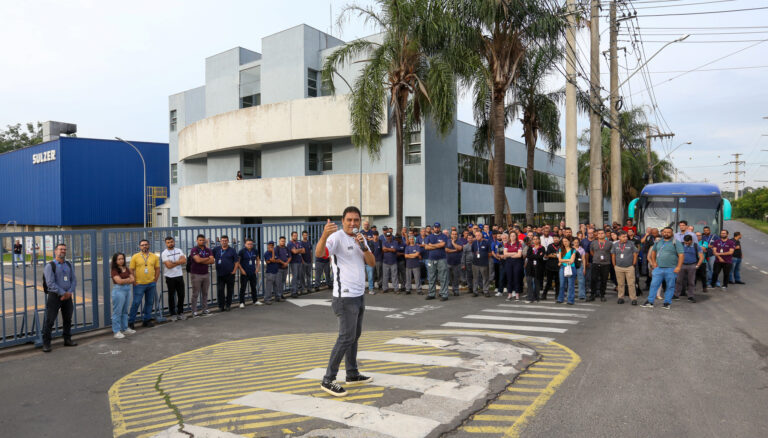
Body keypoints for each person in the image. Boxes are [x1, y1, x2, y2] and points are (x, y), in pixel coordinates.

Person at [315, 208, 375, 397]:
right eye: (349, 220)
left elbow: (372, 263)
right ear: (342, 221)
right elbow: (320, 254)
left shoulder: (361, 239)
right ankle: (328, 379)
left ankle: (352, 373)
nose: (353, 223)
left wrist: (363, 247)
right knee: (345, 337)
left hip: (359, 295)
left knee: (354, 336)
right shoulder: (336, 237)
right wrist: (324, 236)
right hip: (345, 297)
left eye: (356, 220)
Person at [41, 243, 77, 352]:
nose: (63, 251)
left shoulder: (68, 264)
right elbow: (50, 283)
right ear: (55, 251)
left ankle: (67, 339)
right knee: (50, 320)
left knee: (67, 319)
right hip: (55, 297)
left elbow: (74, 280)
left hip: (67, 296)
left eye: (64, 249)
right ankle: (46, 343)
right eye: (61, 249)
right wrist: (63, 293)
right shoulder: (50, 266)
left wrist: (69, 292)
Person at [642, 227, 684, 309]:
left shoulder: (676, 242)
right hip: (658, 268)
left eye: (668, 232)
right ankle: (650, 302)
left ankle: (667, 303)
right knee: (653, 285)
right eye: (665, 232)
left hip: (671, 268)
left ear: (672, 233)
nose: (666, 233)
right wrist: (654, 262)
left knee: (670, 286)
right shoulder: (658, 242)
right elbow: (653, 252)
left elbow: (681, 255)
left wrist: (678, 267)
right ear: (662, 233)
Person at [128, 240, 160, 329]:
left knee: (149, 302)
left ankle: (146, 320)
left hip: (151, 284)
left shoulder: (154, 256)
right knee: (136, 303)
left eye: (146, 244)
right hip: (139, 284)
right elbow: (131, 270)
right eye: (142, 245)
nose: (144, 246)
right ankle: (131, 322)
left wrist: (155, 280)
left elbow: (157, 269)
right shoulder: (135, 257)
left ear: (149, 245)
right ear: (139, 246)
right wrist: (134, 281)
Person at [110, 253, 136, 338]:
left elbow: (133, 279)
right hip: (119, 291)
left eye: (122, 258)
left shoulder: (126, 268)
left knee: (125, 311)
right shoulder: (114, 270)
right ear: (115, 261)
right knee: (117, 311)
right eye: (119, 259)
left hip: (127, 290)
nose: (121, 260)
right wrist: (128, 279)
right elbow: (119, 281)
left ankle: (125, 328)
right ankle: (116, 331)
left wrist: (124, 280)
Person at [161, 237, 186, 320]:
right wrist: (179, 262)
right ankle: (173, 313)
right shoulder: (164, 253)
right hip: (170, 277)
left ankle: (180, 312)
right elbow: (168, 266)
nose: (170, 243)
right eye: (168, 242)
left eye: (171, 242)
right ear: (166, 243)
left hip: (179, 275)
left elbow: (184, 260)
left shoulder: (179, 250)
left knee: (181, 295)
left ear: (174, 242)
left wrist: (174, 262)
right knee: (171, 296)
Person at [189, 234, 214, 316]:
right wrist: (207, 258)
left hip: (205, 274)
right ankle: (194, 311)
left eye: (203, 240)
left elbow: (212, 261)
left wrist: (203, 259)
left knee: (205, 293)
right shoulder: (194, 249)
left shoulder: (208, 250)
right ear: (197, 241)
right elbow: (198, 260)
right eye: (200, 240)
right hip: (196, 274)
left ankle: (205, 309)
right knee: (195, 293)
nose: (202, 241)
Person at [674, 235, 704, 303]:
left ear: (691, 240)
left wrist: (697, 265)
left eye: (688, 243)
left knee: (691, 281)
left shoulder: (696, 246)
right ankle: (676, 295)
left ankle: (691, 296)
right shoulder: (681, 245)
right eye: (685, 242)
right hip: (681, 265)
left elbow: (701, 257)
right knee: (678, 280)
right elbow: (676, 254)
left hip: (692, 265)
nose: (687, 244)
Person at [425, 223, 450, 301]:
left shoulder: (444, 236)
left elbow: (442, 245)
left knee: (443, 277)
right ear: (433, 228)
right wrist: (437, 245)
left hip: (441, 259)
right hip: (431, 259)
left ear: (440, 228)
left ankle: (444, 294)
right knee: (431, 277)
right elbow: (426, 247)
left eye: (438, 227)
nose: (436, 229)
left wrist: (432, 245)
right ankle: (431, 294)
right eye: (435, 227)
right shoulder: (429, 236)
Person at [611, 231, 638, 305]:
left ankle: (633, 298)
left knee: (631, 283)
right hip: (618, 267)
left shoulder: (631, 243)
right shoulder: (615, 244)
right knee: (620, 283)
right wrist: (614, 265)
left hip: (629, 267)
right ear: (619, 237)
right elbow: (613, 255)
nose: (626, 238)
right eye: (624, 237)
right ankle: (621, 297)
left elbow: (635, 254)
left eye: (626, 236)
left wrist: (633, 264)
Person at [213, 236, 238, 311]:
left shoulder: (232, 250)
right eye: (222, 240)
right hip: (220, 274)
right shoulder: (216, 249)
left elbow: (236, 262)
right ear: (220, 241)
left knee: (230, 290)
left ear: (228, 241)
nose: (224, 242)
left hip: (230, 274)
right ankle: (221, 306)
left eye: (225, 240)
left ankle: (228, 305)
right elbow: (210, 256)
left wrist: (234, 271)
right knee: (220, 290)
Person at [590, 230, 613, 302]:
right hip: (596, 263)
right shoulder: (593, 243)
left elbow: (612, 253)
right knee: (593, 279)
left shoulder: (609, 243)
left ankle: (602, 295)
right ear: (597, 235)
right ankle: (592, 294)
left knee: (604, 280)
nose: (600, 235)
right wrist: (596, 257)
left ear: (605, 234)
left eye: (602, 233)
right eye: (599, 233)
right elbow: (591, 251)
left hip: (606, 264)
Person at [238, 238, 261, 307]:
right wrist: (241, 270)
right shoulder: (241, 251)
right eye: (248, 244)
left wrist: (257, 268)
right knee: (243, 288)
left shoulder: (255, 251)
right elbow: (238, 262)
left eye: (251, 244)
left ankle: (255, 300)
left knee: (253, 287)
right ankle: (242, 302)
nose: (250, 245)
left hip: (252, 272)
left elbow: (258, 259)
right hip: (244, 273)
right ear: (245, 244)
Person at [503, 232, 524, 301]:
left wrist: (509, 255)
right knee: (509, 278)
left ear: (516, 237)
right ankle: (509, 294)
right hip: (508, 263)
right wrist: (514, 253)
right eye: (511, 236)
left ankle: (517, 294)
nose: (512, 237)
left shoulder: (519, 244)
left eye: (514, 236)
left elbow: (519, 255)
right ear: (509, 237)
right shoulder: (507, 244)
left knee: (516, 278)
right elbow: (505, 254)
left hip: (517, 263)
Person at [525, 236, 545, 303]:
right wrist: (536, 256)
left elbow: (541, 256)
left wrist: (534, 256)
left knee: (537, 282)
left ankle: (537, 297)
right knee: (529, 282)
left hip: (538, 267)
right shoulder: (530, 247)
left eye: (537, 239)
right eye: (534, 239)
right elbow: (528, 256)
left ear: (539, 240)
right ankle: (530, 298)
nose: (535, 240)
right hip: (530, 266)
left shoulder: (542, 248)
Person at [556, 237, 577, 305]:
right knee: (562, 284)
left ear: (569, 241)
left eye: (566, 241)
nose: (565, 243)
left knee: (571, 285)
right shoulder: (561, 249)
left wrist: (563, 260)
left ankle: (570, 300)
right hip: (563, 267)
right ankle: (560, 298)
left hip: (571, 267)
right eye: (563, 241)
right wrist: (568, 259)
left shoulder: (573, 250)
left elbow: (572, 261)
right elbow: (559, 260)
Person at [471, 230, 492, 297]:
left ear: (482, 235)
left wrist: (484, 257)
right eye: (476, 235)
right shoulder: (474, 243)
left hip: (484, 263)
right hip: (475, 263)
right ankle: (475, 291)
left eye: (479, 235)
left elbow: (490, 253)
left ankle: (486, 291)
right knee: (475, 278)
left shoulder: (486, 242)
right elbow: (472, 251)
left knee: (485, 278)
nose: (477, 236)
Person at [445, 230, 464, 297]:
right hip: (448, 262)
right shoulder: (447, 241)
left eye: (455, 234)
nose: (454, 235)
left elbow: (459, 248)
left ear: (457, 235)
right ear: (451, 235)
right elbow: (446, 250)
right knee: (447, 278)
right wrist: (455, 250)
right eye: (453, 234)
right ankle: (445, 291)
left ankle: (455, 290)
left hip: (457, 263)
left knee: (456, 278)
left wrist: (453, 242)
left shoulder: (460, 242)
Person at [542, 235, 561, 300]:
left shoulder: (561, 246)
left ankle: (557, 295)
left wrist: (554, 255)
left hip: (558, 266)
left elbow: (562, 255)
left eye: (557, 238)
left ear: (559, 239)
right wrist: (557, 255)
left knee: (557, 282)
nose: (556, 239)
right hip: (550, 266)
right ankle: (544, 295)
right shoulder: (550, 246)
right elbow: (548, 255)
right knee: (549, 282)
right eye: (554, 238)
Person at [288, 232, 306, 298]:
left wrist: (297, 250)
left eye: (296, 236)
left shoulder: (299, 243)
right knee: (295, 277)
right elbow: (294, 252)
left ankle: (296, 290)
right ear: (291, 236)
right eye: (294, 236)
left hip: (299, 262)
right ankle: (293, 292)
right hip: (294, 262)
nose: (295, 237)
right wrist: (299, 250)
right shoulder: (290, 243)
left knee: (298, 276)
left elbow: (304, 251)